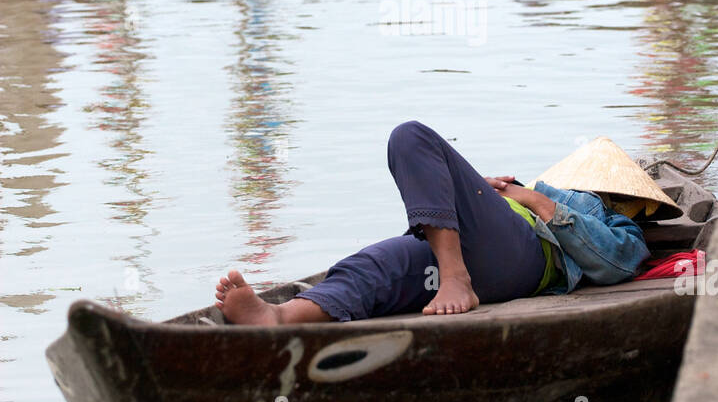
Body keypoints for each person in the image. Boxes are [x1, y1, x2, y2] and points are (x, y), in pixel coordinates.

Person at [215, 122, 681, 325]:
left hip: (520, 261)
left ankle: (457, 278)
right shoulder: (525, 189)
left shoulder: (617, 224)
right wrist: (477, 189)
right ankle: (279, 317)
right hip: (465, 250)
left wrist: (535, 199)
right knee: (375, 266)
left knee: (411, 135)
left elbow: (616, 264)